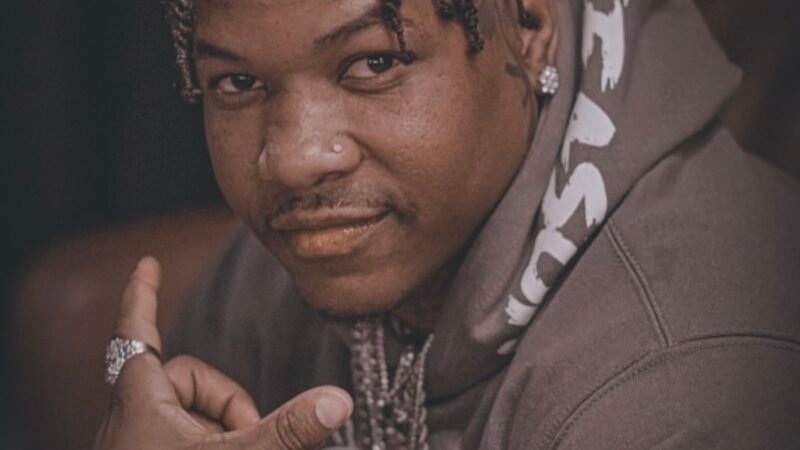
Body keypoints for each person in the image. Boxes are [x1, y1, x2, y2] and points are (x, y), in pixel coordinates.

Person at [93, 0, 800, 448]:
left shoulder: (677, 389)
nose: (293, 159)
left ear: (528, 27)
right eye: (239, 83)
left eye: (374, 62)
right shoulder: (314, 245)